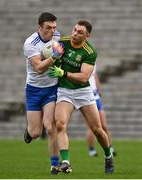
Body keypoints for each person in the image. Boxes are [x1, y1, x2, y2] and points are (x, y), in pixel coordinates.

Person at [49, 20, 114, 174]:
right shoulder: (63, 42)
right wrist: (53, 56)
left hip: (83, 92)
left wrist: (63, 73)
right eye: (75, 30)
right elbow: (52, 55)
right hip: (65, 90)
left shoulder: (89, 52)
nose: (75, 34)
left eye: (80, 32)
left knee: (97, 129)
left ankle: (108, 155)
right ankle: (65, 161)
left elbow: (84, 77)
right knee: (59, 124)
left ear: (87, 36)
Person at [23, 12, 64, 174]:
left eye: (54, 27)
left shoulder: (57, 37)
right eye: (48, 28)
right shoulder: (30, 43)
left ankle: (55, 165)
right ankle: (29, 131)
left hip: (51, 88)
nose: (52, 31)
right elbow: (39, 68)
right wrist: (55, 57)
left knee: (51, 126)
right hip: (33, 89)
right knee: (35, 132)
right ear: (40, 27)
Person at [87, 66, 116, 156]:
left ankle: (110, 147)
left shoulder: (92, 58)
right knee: (92, 127)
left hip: (96, 96)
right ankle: (91, 150)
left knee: (104, 125)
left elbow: (95, 76)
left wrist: (99, 89)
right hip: (87, 96)